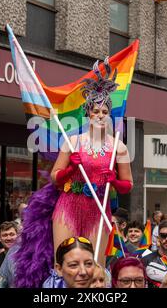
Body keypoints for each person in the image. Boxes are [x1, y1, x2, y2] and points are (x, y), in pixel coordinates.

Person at [49, 60, 133, 269]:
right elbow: (54, 177)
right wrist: (70, 169)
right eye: (95, 111)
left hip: (98, 206)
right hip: (69, 204)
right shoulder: (73, 142)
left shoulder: (118, 147)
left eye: (104, 112)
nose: (100, 116)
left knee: (94, 263)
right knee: (64, 260)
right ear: (88, 114)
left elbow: (128, 184)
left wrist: (114, 180)